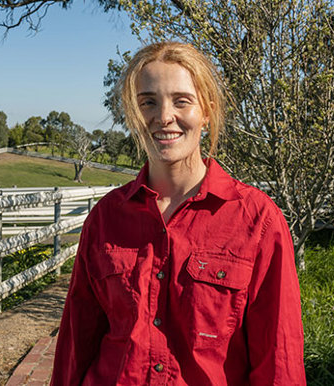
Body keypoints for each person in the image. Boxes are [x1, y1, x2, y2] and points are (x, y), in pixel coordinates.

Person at [51, 42, 306, 385]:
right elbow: (75, 345)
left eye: (181, 100)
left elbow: (279, 360)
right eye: (148, 102)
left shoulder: (258, 221)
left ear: (207, 112)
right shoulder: (105, 219)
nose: (163, 116)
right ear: (133, 114)